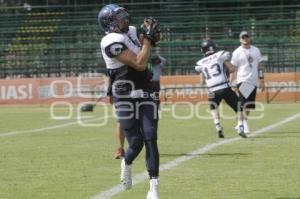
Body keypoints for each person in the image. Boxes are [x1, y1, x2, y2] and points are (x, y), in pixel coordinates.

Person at [98, 4, 161, 199]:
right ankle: (127, 162)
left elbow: (150, 42)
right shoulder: (110, 41)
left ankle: (153, 188)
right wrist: (148, 41)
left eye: (123, 15)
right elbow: (140, 63)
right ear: (110, 24)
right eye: (119, 17)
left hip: (146, 91)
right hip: (124, 93)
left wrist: (152, 34)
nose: (125, 19)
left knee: (150, 136)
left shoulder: (131, 31)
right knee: (136, 142)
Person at [114, 54, 166, 159]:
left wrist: (155, 59)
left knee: (150, 121)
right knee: (122, 121)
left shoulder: (153, 59)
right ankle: (120, 148)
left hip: (150, 91)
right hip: (130, 91)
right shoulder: (128, 58)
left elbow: (162, 63)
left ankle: (150, 145)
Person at [195, 39, 247, 138]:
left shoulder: (200, 62)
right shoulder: (220, 55)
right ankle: (240, 127)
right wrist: (225, 63)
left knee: (214, 108)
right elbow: (232, 69)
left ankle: (218, 126)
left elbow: (201, 82)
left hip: (211, 90)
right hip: (224, 86)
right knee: (239, 107)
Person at [230, 31, 265, 134]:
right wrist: (231, 81)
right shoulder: (236, 52)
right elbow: (233, 68)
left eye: (246, 37)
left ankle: (240, 123)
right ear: (240, 39)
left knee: (248, 104)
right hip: (242, 80)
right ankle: (244, 124)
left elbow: (259, 66)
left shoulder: (256, 50)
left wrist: (262, 80)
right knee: (244, 104)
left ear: (249, 38)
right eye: (243, 37)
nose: (245, 38)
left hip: (253, 80)